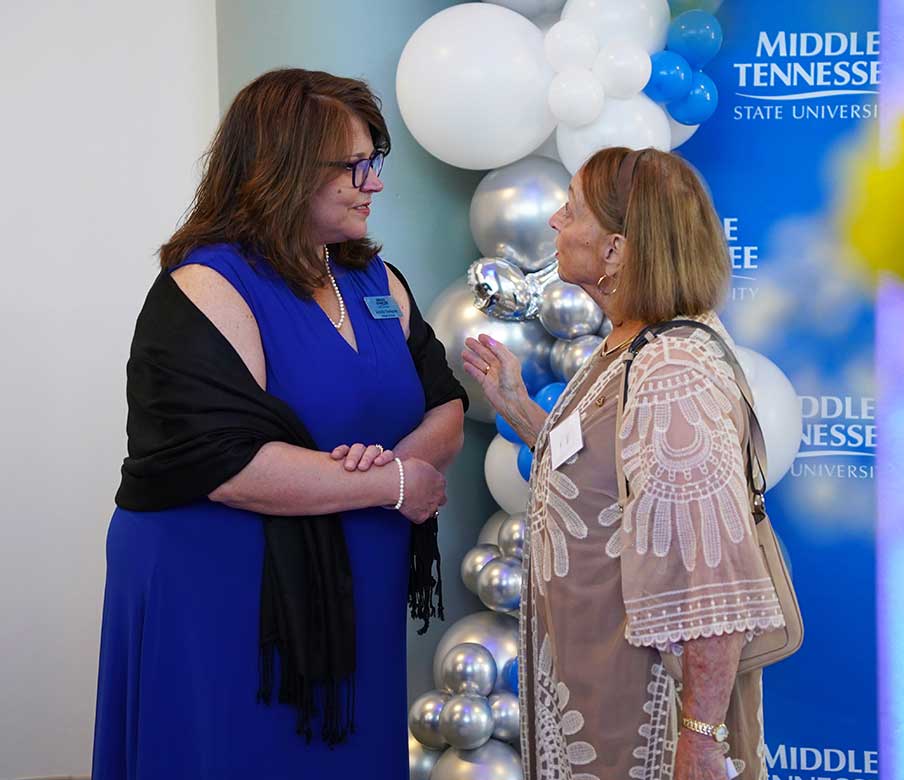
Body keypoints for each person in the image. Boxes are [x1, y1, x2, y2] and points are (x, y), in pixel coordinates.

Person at [92, 68, 467, 779]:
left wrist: (403, 470)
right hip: (223, 587)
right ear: (284, 167)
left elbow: (444, 400)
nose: (374, 183)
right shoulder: (206, 285)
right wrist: (388, 482)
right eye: (354, 166)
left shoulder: (376, 281)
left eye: (374, 161)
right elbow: (223, 465)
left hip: (359, 578)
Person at [462, 147, 784, 780]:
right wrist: (521, 409)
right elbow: (598, 474)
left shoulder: (672, 370)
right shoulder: (632, 346)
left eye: (572, 209)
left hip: (648, 724)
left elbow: (711, 578)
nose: (554, 220)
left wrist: (699, 739)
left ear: (614, 250)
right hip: (600, 704)